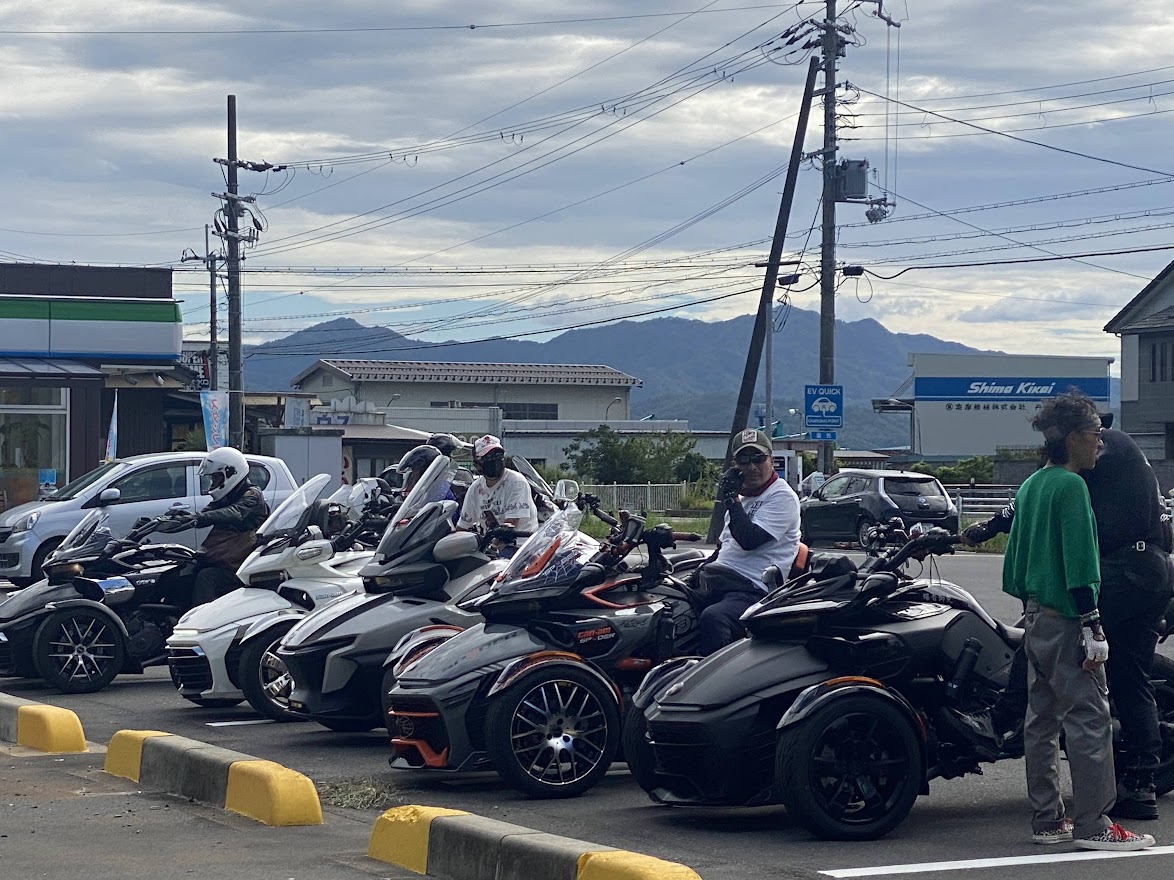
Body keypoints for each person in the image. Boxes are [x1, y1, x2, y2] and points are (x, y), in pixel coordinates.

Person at [967, 413, 1173, 820]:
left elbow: (1030, 500)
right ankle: (1141, 784)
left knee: (1043, 629)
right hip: (1150, 571)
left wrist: (983, 529)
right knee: (1131, 677)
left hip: (1122, 571)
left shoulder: (1094, 455)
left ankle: (1000, 717)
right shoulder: (1121, 451)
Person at [1001, 390, 1154, 851]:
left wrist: (1033, 601)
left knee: (1041, 721)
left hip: (1035, 616)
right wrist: (1091, 621)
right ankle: (1094, 824)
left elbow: (1014, 563)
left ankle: (1048, 819)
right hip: (1069, 617)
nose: (1100, 443)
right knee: (1089, 718)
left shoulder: (1032, 485)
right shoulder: (1071, 487)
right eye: (1094, 433)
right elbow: (1081, 561)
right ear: (1072, 438)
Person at [690, 428, 800, 656]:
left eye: (758, 459)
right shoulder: (743, 500)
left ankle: (714, 675)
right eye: (744, 460)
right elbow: (725, 546)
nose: (752, 467)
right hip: (722, 581)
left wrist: (731, 498)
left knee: (714, 618)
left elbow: (749, 540)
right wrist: (697, 573)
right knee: (672, 603)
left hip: (755, 588)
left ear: (771, 460)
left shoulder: (782, 496)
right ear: (735, 465)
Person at [182, 447, 270, 606]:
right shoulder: (227, 495)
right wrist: (178, 519)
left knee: (206, 577)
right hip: (226, 560)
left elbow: (235, 512)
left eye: (216, 478)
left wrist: (197, 518)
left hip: (241, 565)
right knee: (184, 567)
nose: (213, 483)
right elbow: (207, 513)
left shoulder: (252, 495)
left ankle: (202, 618)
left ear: (230, 473)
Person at [456, 435, 538, 541]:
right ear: (477, 464)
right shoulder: (475, 488)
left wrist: (494, 545)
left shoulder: (516, 481)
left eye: (498, 456)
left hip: (519, 545)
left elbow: (511, 524)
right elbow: (462, 526)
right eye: (488, 458)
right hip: (492, 546)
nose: (494, 460)